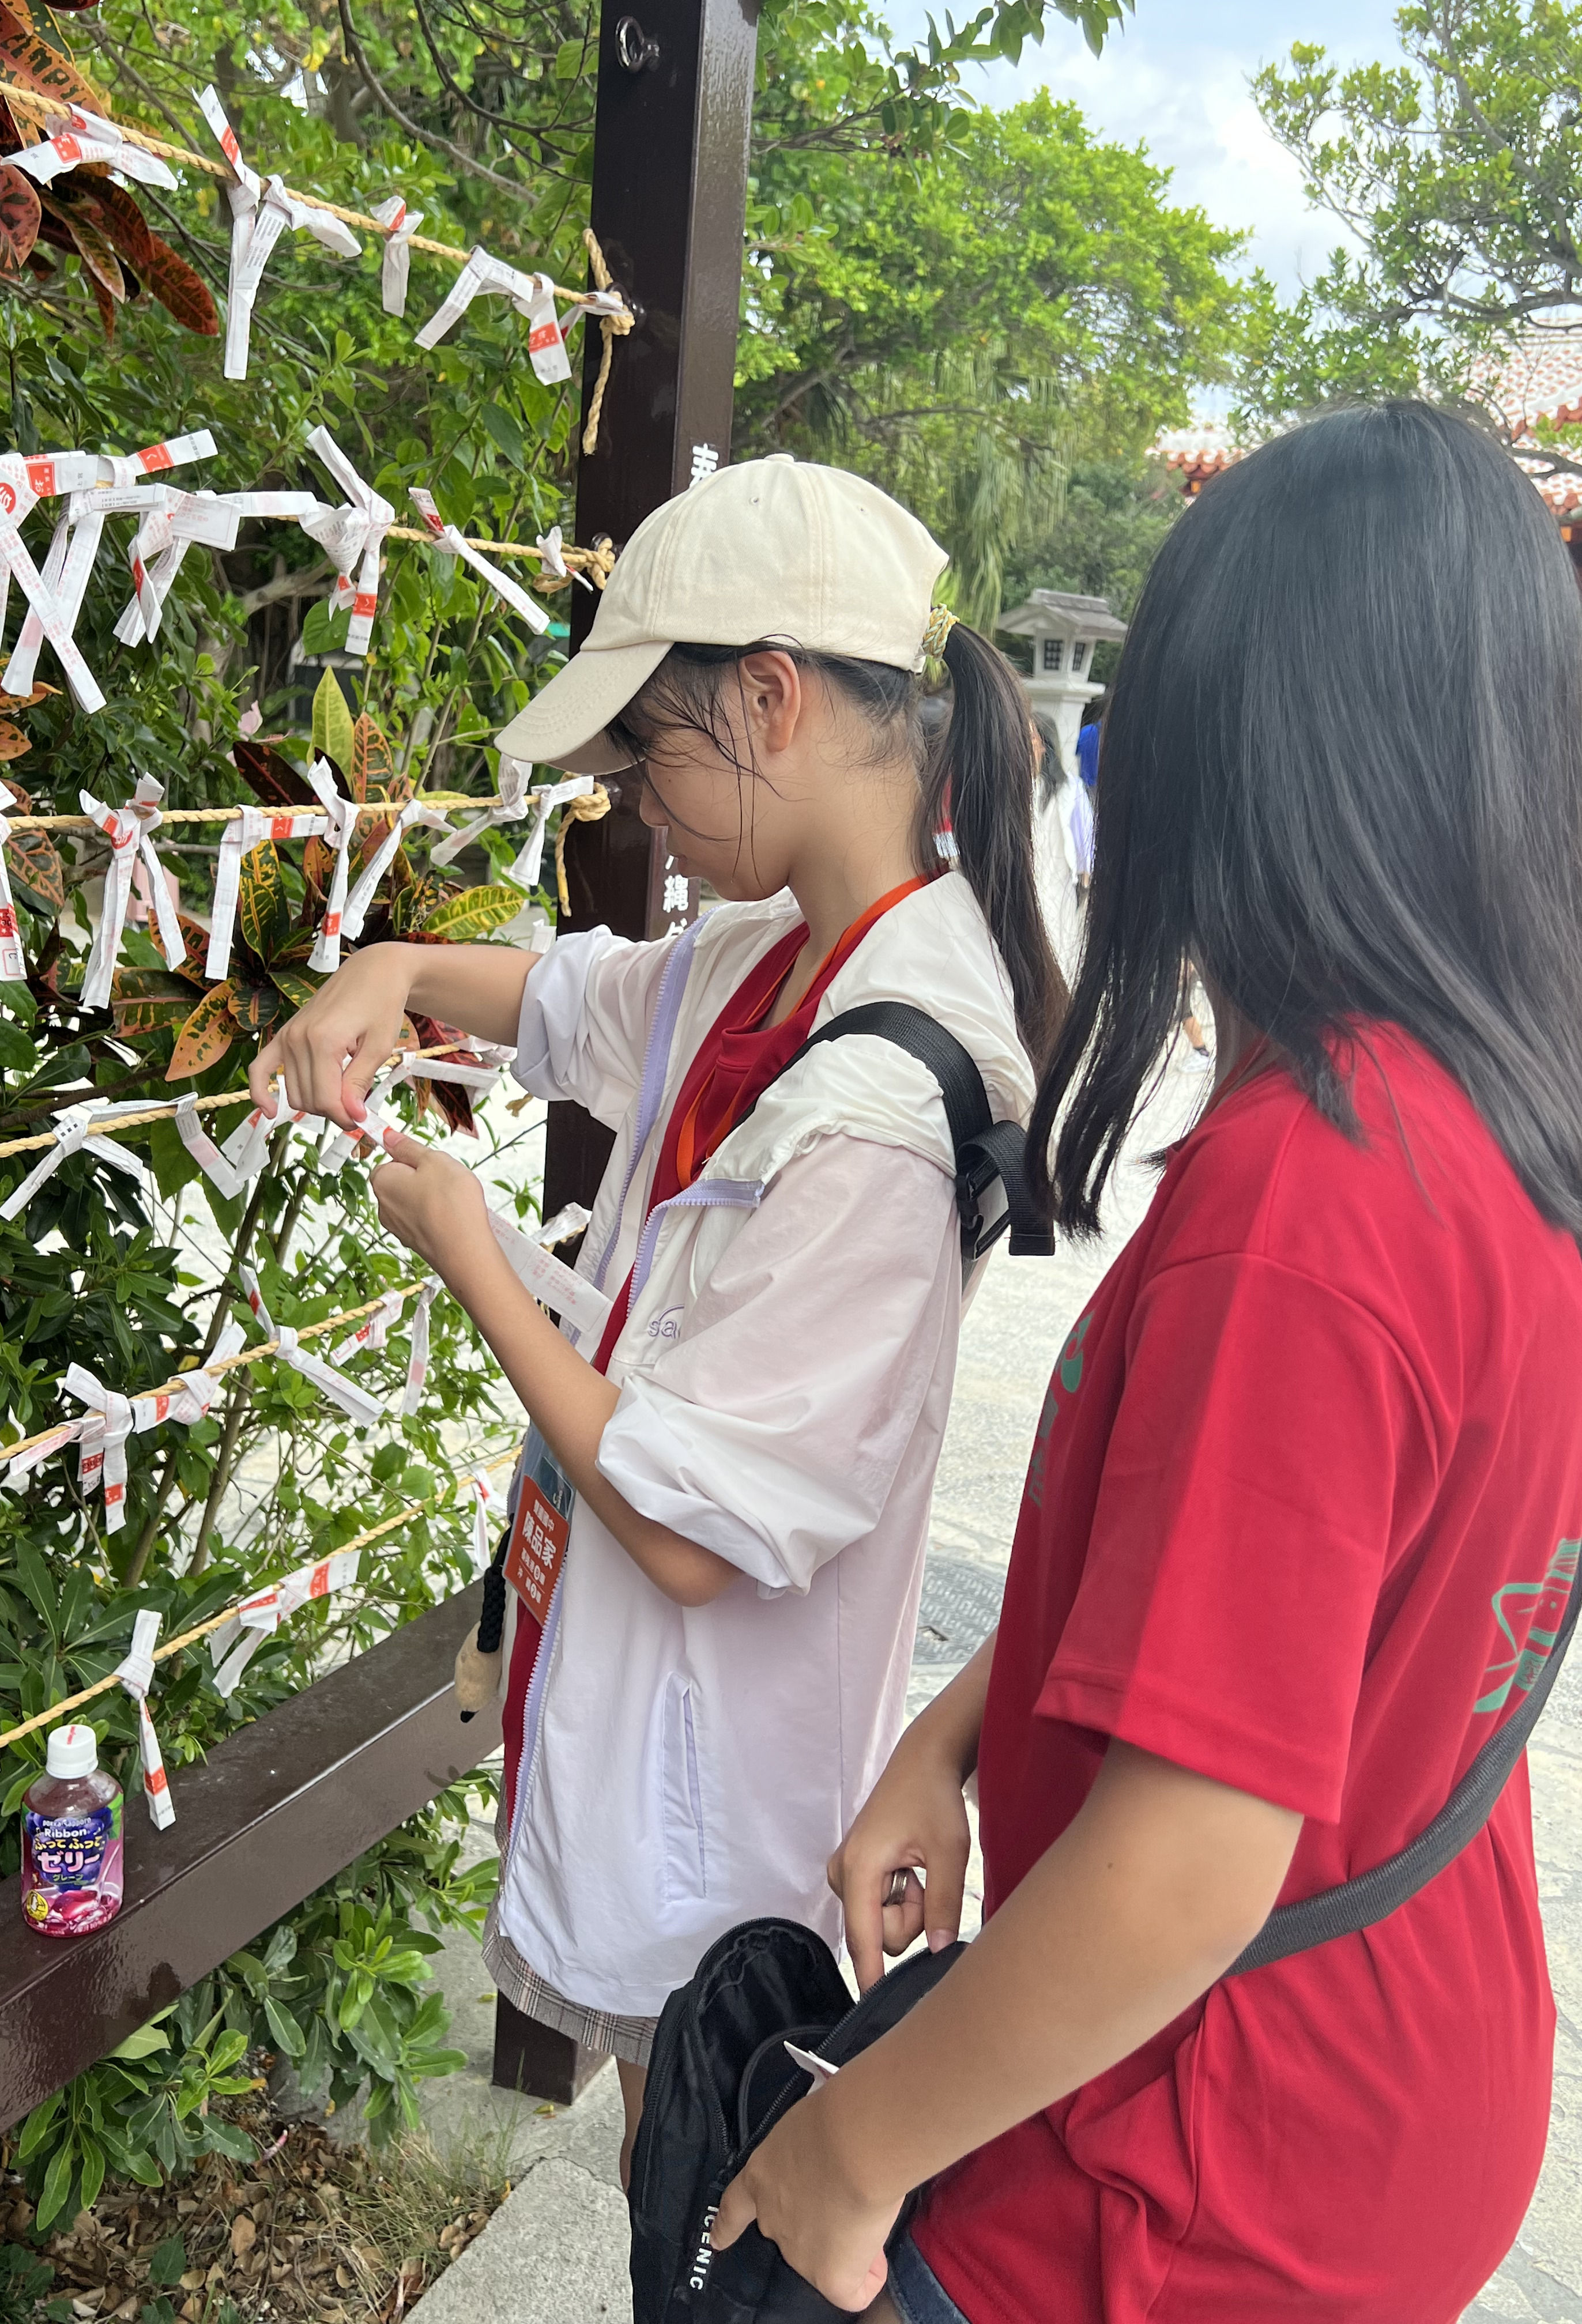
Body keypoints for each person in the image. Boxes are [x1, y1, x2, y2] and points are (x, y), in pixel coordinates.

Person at [709, 403, 1582, 2321]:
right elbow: (1309, 1621)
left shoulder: (1308, 1204)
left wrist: (847, 2155)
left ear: (1222, 753)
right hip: (1403, 2062)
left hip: (1195, 2177)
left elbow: (1184, 1870)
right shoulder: (1500, 1129)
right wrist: (956, 1732)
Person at [249, 455, 1065, 2178]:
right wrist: (389, 972)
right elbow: (558, 999)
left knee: (704, 2169)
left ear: (769, 701)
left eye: (649, 751)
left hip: (722, 1764)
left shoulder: (889, 1101)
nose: (636, 804)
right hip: (625, 1704)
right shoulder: (768, 950)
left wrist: (478, 1263)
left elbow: (702, 1535)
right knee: (665, 2155)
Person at [1029, 711, 1090, 979]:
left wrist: (1086, 871)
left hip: (1059, 883)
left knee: (1057, 947)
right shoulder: (1016, 788)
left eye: (1028, 736)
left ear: (1043, 744)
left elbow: (1085, 835)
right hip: (1028, 883)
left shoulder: (1070, 789)